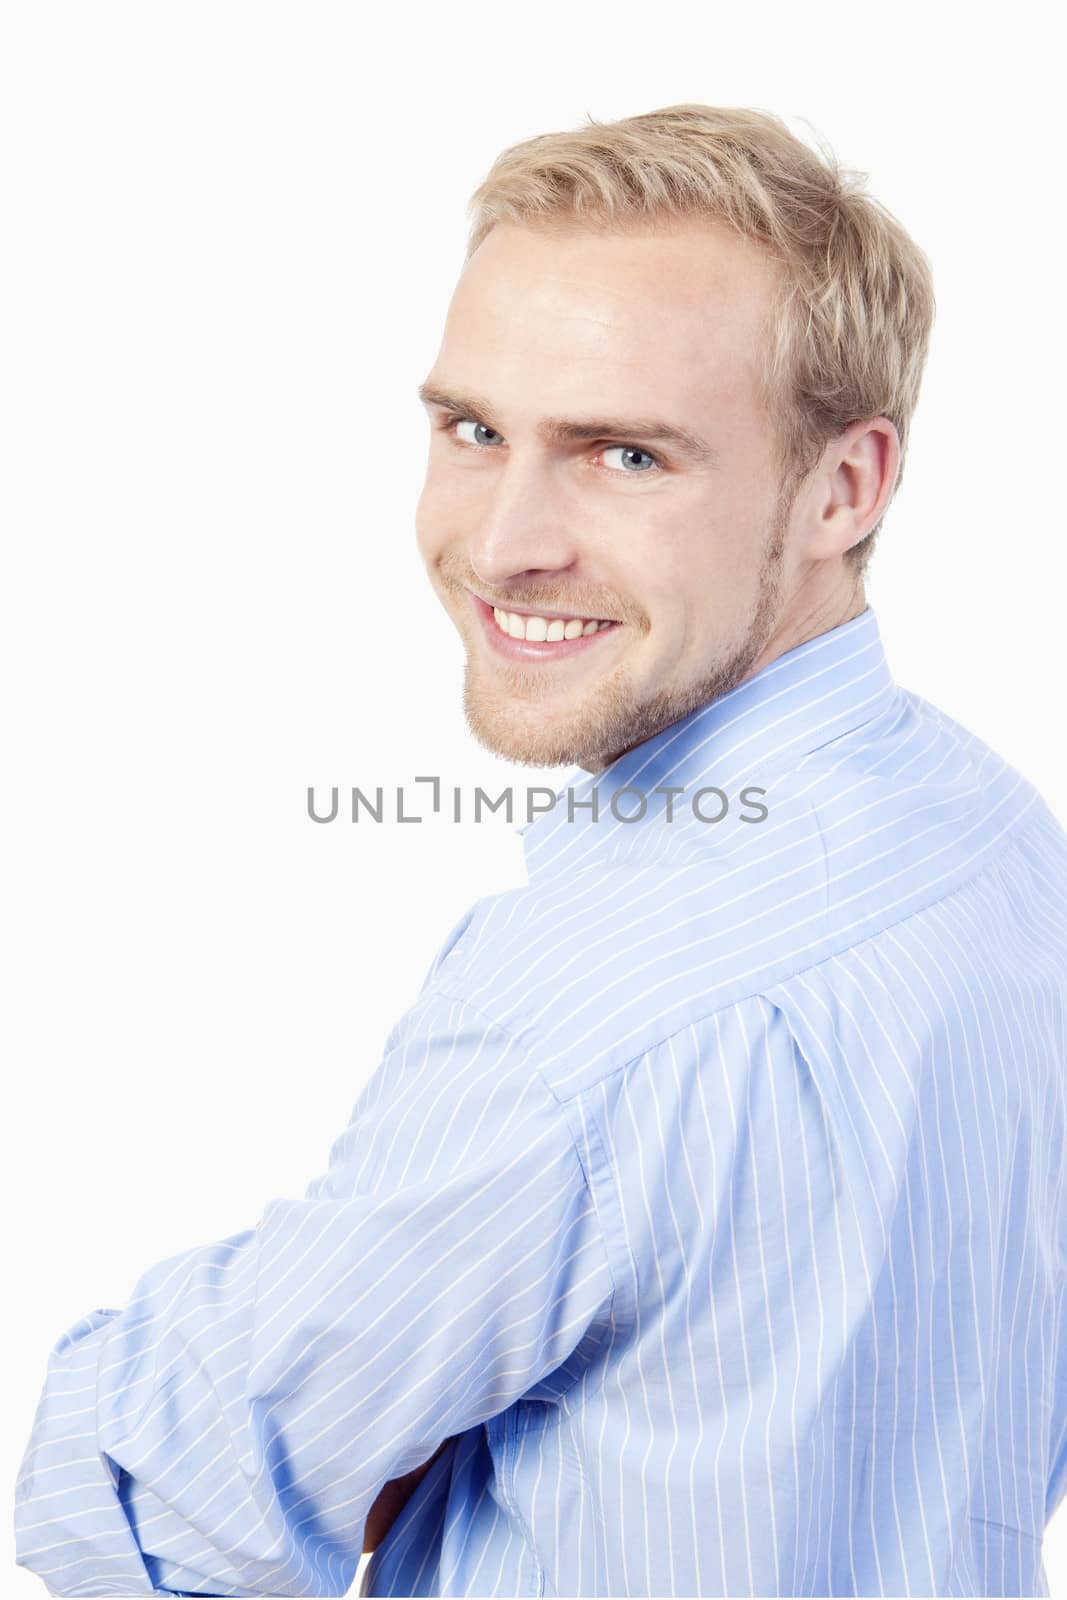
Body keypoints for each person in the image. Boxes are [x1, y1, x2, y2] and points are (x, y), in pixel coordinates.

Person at [14, 102, 1067, 1599]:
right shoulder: (1002, 842)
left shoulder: (580, 1016)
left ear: (847, 486)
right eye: (471, 430)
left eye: (624, 455)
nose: (504, 542)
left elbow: (170, 1497)